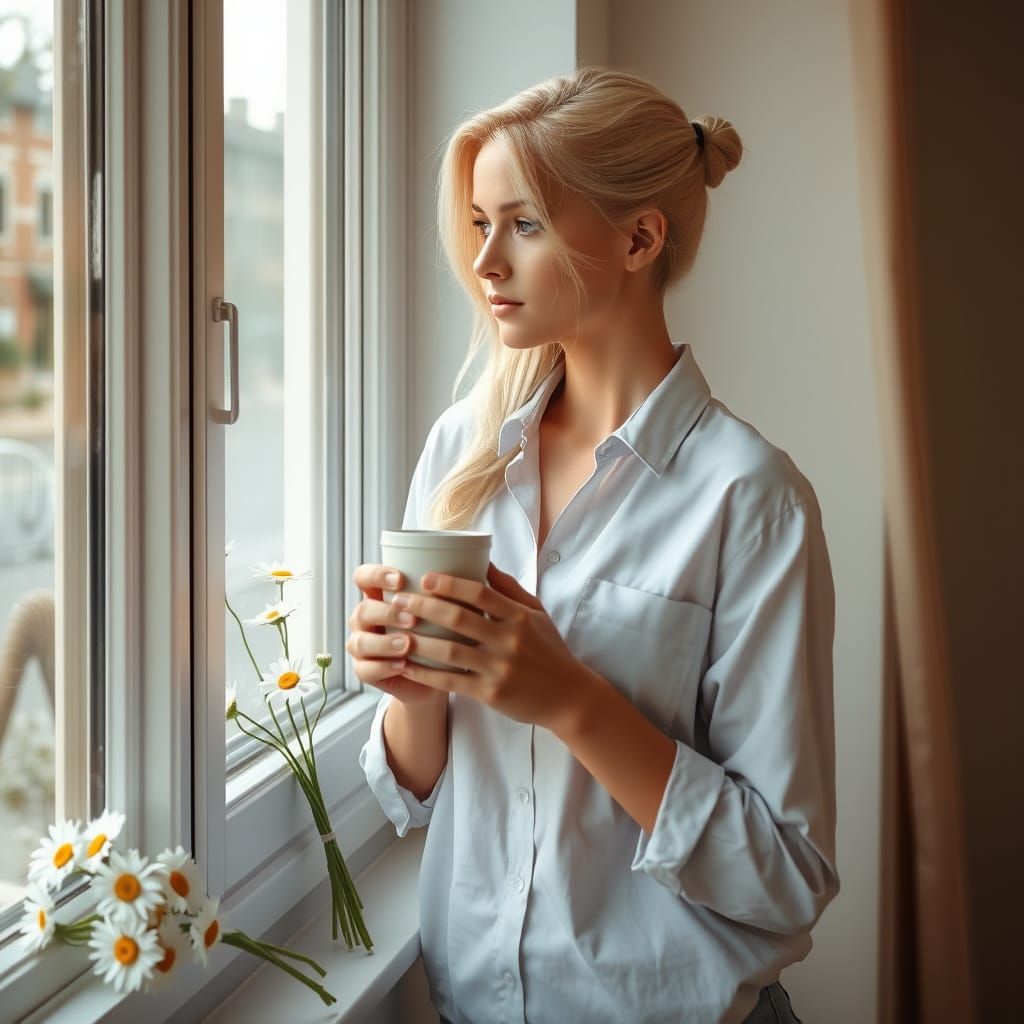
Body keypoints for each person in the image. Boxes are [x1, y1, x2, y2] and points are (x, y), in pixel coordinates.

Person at [352, 66, 836, 1024]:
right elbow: (418, 789)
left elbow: (785, 876)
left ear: (640, 237)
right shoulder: (462, 454)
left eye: (523, 224)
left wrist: (572, 700)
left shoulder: (751, 500)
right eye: (481, 223)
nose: (485, 261)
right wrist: (411, 693)